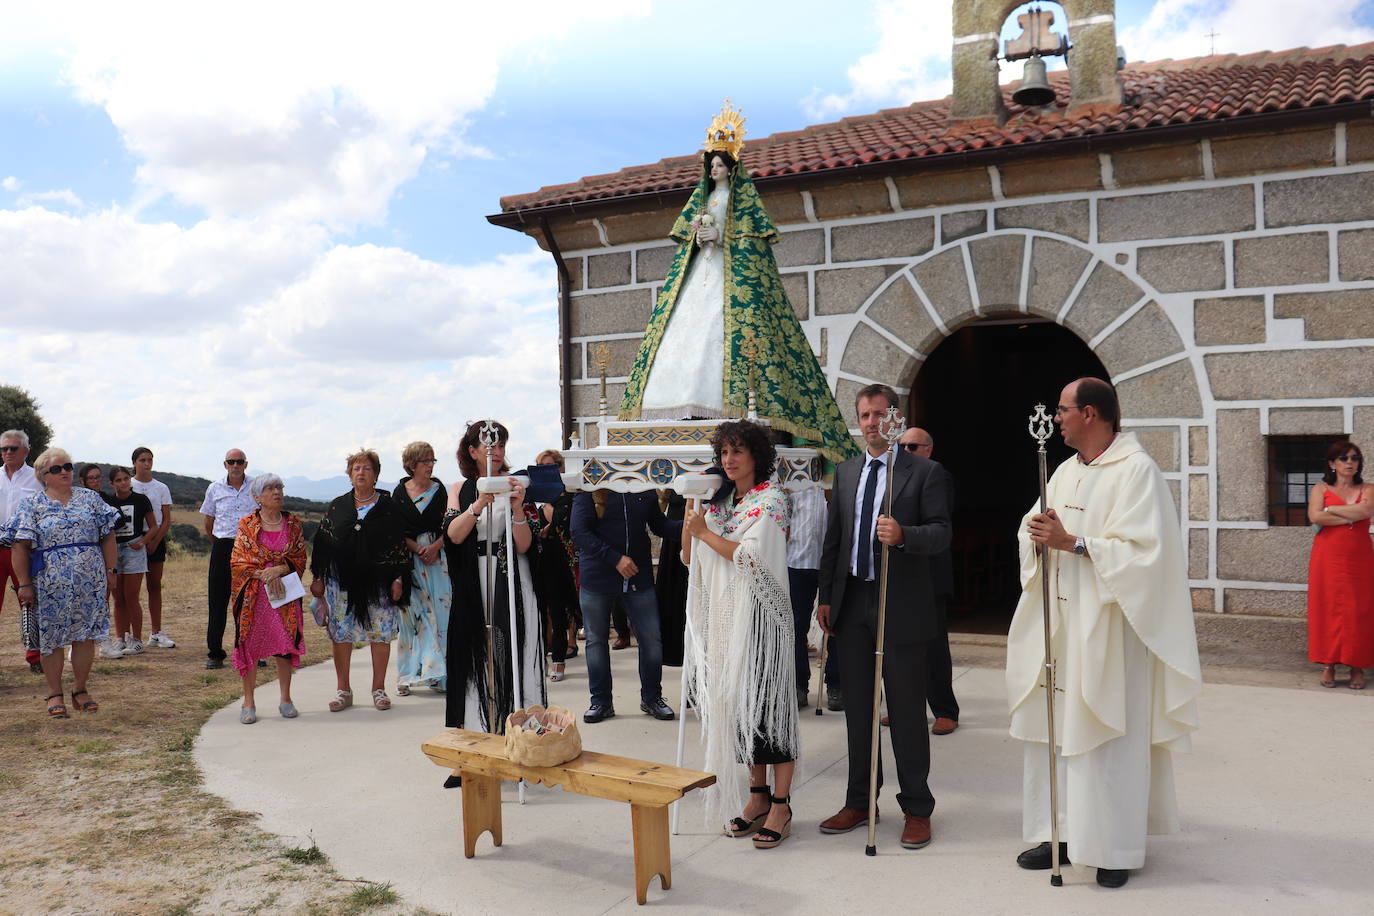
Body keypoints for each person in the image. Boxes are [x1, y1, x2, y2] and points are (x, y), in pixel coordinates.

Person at [1010, 377, 1202, 888]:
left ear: (1091, 413)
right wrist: (1036, 532)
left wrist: (1072, 542)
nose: (1057, 418)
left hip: (1110, 629)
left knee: (1106, 734)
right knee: (1058, 733)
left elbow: (1149, 555)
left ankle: (1114, 847)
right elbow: (1035, 526)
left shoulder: (1137, 471)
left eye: (1063, 409)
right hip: (1062, 625)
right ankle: (1064, 835)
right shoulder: (1068, 470)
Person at [617, 103, 855, 465]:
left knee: (718, 334)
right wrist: (699, 238)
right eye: (710, 166)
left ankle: (721, 406)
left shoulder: (740, 202)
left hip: (730, 279)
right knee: (686, 333)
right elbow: (690, 242)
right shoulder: (705, 198)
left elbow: (747, 243)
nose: (714, 170)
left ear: (732, 168)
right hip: (704, 271)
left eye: (719, 165)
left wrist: (721, 237)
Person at [816, 383, 950, 852]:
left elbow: (941, 534)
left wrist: (905, 534)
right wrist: (826, 597)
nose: (872, 422)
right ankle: (859, 801)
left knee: (907, 711)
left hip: (901, 603)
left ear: (896, 416)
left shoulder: (924, 473)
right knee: (858, 710)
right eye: (865, 415)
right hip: (852, 602)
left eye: (880, 414)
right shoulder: (848, 472)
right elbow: (834, 539)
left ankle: (916, 807)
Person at [682, 420, 798, 848]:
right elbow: (688, 555)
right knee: (742, 712)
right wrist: (692, 511)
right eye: (724, 453)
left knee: (772, 713)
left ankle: (782, 806)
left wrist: (706, 533)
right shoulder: (720, 502)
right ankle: (757, 798)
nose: (729, 461)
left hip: (764, 621)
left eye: (737, 452)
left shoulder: (771, 500)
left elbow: (753, 559)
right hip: (730, 621)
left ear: (755, 456)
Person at [443, 421, 545, 733]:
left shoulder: (516, 484)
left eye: (500, 446)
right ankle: (475, 734)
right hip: (475, 581)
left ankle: (517, 733)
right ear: (472, 451)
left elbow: (526, 544)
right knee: (475, 654)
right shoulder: (459, 490)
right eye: (489, 447)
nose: (496, 452)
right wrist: (478, 504)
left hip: (511, 577)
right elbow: (453, 535)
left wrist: (516, 509)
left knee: (511, 649)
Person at [6, 448, 120, 717]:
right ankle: (54, 693)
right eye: (56, 469)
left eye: (67, 466)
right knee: (51, 638)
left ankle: (80, 690)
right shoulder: (32, 505)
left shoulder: (90, 499)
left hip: (90, 580)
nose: (65, 472)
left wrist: (111, 571)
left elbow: (108, 536)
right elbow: (19, 547)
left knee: (85, 636)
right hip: (49, 583)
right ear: (43, 476)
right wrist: (24, 584)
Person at [570, 473, 680, 724]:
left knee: (651, 640)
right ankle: (600, 702)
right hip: (597, 577)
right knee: (596, 641)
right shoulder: (589, 488)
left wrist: (694, 524)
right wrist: (615, 559)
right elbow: (579, 532)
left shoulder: (644, 488)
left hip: (637, 577)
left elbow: (660, 526)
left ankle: (652, 698)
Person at [310, 449, 410, 712]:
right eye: (356, 468)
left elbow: (399, 546)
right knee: (341, 635)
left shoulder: (388, 508)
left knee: (379, 635)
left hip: (378, 583)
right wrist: (318, 577)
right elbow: (322, 543)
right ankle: (344, 690)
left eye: (367, 468)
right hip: (340, 583)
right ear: (349, 474)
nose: (361, 472)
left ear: (376, 475)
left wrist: (397, 578)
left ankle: (379, 689)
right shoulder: (338, 506)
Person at [229, 474, 307, 723]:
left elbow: (300, 558)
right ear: (257, 497)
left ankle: (286, 699)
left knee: (284, 644)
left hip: (284, 594)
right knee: (249, 645)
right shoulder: (247, 524)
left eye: (279, 487)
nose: (277, 492)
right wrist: (265, 573)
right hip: (255, 595)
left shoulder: (293, 524)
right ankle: (249, 702)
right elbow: (238, 560)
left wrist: (280, 570)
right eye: (270, 488)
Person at [900, 427, 959, 735]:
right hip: (900, 572)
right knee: (902, 647)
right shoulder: (892, 476)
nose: (906, 451)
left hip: (929, 573)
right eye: (902, 446)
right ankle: (906, 707)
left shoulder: (937, 476)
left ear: (928, 450)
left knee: (934, 647)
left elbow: (933, 520)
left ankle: (945, 710)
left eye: (913, 446)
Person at [1306, 440, 1373, 689]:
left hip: (1360, 560)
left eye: (1354, 458)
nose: (1350, 463)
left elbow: (1367, 512)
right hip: (1327, 558)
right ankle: (1329, 664)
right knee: (1327, 607)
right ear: (1332, 463)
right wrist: (1351, 513)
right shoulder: (1319, 488)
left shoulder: (1368, 488)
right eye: (1344, 458)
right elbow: (1315, 516)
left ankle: (1357, 666)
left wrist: (1332, 508)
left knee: (1359, 610)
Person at [393, 441, 452, 695]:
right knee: (412, 618)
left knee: (440, 615)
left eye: (432, 461)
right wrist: (418, 549)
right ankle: (407, 675)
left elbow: (451, 524)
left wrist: (436, 546)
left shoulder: (440, 491)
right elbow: (394, 531)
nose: (430, 466)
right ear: (412, 465)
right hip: (410, 561)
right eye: (425, 461)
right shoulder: (399, 493)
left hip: (438, 560)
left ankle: (440, 675)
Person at [200, 449, 255, 669]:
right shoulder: (214, 488)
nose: (235, 465)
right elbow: (208, 520)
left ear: (245, 464)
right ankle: (215, 652)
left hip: (249, 549)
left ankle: (248, 650)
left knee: (248, 601)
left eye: (239, 462)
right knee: (217, 601)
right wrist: (219, 543)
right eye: (231, 462)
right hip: (222, 546)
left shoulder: (256, 487)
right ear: (225, 464)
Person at [534, 448, 579, 682]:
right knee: (539, 612)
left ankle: (559, 660)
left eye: (550, 467)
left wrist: (548, 507)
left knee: (560, 612)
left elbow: (563, 521)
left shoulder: (567, 494)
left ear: (560, 468)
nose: (546, 472)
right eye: (542, 468)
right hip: (541, 561)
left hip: (563, 561)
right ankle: (540, 659)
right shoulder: (535, 497)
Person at [1, 429, 43, 673]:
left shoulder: (37, 478)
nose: (7, 452)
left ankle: (35, 656)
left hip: (25, 549)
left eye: (12, 448)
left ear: (26, 451)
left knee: (29, 602)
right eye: (3, 449)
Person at [102, 466, 156, 658]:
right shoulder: (109, 501)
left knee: (131, 596)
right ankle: (120, 639)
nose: (124, 483)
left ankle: (137, 640)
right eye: (119, 480)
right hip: (114, 550)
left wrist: (142, 541)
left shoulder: (141, 500)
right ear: (112, 484)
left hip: (134, 550)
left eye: (126, 479)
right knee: (118, 598)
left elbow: (153, 526)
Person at [786, 485, 826, 709]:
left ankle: (837, 683)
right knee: (796, 625)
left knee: (836, 624)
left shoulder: (837, 474)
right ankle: (799, 684)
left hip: (832, 560)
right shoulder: (794, 478)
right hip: (797, 561)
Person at [131, 447, 176, 649]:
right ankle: (132, 635)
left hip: (156, 539)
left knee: (154, 586)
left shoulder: (161, 488)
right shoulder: (128, 484)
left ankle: (156, 632)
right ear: (134, 463)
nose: (147, 464)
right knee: (131, 591)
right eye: (142, 460)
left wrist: (155, 541)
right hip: (133, 541)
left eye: (150, 460)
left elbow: (166, 519)